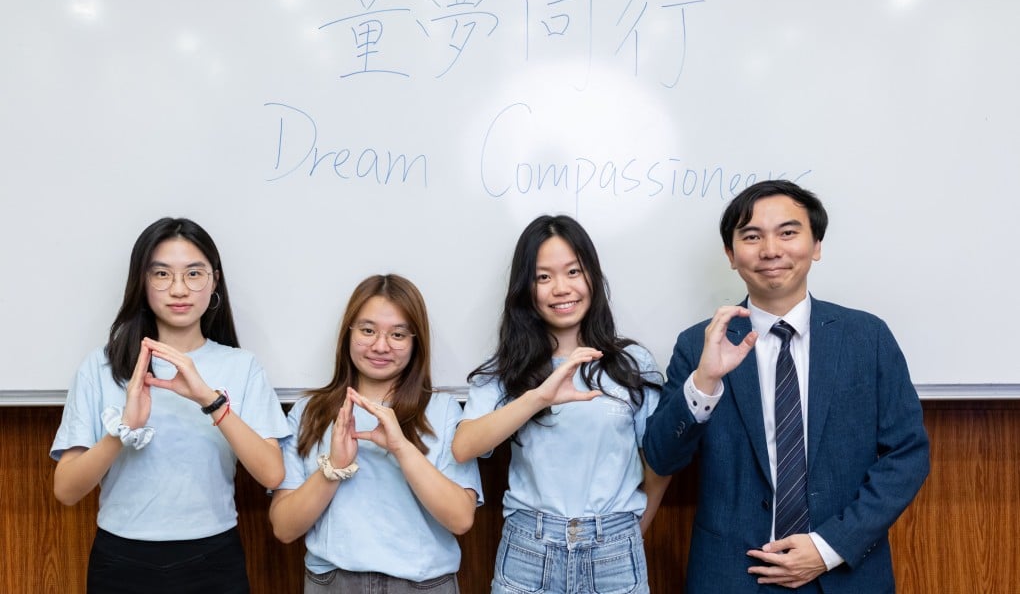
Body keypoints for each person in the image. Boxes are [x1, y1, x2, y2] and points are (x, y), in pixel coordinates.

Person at [643, 180, 930, 593]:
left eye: (788, 233)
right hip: (733, 577)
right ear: (731, 254)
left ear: (816, 245)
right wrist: (705, 382)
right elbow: (661, 457)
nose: (771, 250)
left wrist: (828, 547)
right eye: (752, 236)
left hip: (843, 572)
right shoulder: (699, 343)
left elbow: (907, 454)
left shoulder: (867, 337)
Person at [50, 217, 289, 594]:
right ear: (141, 283)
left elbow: (273, 474)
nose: (179, 289)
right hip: (121, 559)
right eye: (161, 274)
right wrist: (123, 431)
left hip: (213, 558)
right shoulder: (102, 366)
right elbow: (66, 490)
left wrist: (210, 402)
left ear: (214, 281)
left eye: (194, 273)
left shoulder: (241, 366)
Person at [452, 214, 670, 594]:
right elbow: (465, 445)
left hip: (614, 549)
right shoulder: (508, 369)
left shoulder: (630, 363)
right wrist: (539, 397)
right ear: (527, 289)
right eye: (543, 277)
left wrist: (628, 534)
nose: (561, 288)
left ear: (592, 278)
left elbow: (657, 464)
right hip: (529, 549)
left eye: (573, 271)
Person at [269, 274, 481, 593]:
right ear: (348, 334)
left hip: (424, 584)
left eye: (397, 334)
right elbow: (284, 528)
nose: (380, 346)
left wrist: (401, 448)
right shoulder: (308, 412)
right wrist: (334, 468)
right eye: (368, 330)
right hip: (333, 582)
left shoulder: (444, 410)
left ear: (415, 342)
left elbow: (461, 519)